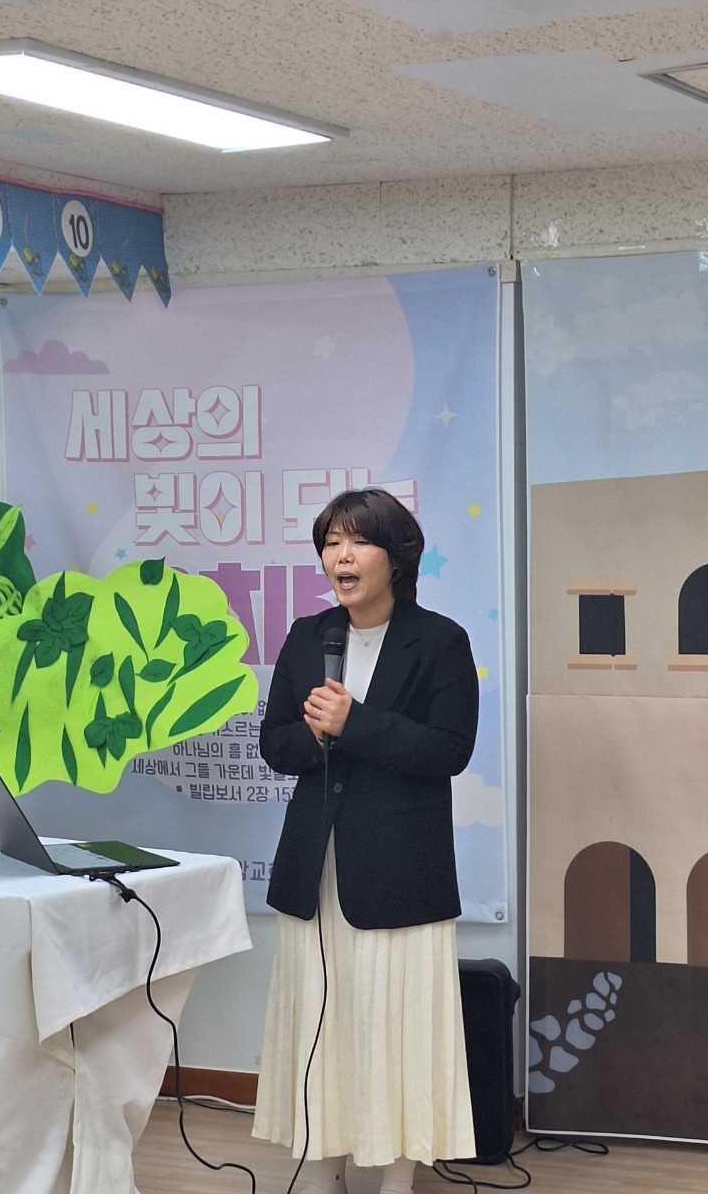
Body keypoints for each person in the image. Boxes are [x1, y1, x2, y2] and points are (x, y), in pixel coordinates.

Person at [252, 488, 479, 1194]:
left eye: (357, 541)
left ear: (396, 558)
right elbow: (275, 745)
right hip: (314, 866)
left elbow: (449, 750)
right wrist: (318, 733)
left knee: (398, 1029)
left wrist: (357, 723)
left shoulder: (440, 641)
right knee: (320, 1026)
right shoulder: (306, 636)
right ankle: (323, 1172)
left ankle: (395, 1180)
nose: (340, 557)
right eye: (330, 543)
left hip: (400, 868)